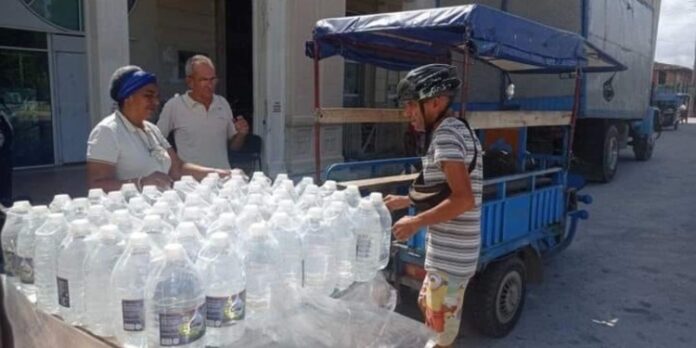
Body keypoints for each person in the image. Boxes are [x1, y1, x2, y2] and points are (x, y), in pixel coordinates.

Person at [383, 64, 482, 348]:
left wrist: (415, 222)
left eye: (412, 105)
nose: (407, 113)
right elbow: (441, 187)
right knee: (428, 306)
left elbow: (463, 198)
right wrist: (406, 200)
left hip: (451, 258)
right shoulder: (453, 129)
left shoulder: (447, 136)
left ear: (435, 102)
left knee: (439, 336)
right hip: (449, 256)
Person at [86, 65, 230, 192]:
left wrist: (219, 173)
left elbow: (178, 169)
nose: (155, 102)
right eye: (148, 96)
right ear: (127, 97)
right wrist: (140, 183)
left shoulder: (152, 130)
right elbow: (97, 185)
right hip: (130, 214)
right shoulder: (108, 131)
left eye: (156, 96)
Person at [157, 55, 249, 169]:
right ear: (190, 81)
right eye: (204, 80)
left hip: (222, 178)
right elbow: (157, 141)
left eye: (213, 79)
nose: (210, 85)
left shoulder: (222, 103)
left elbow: (234, 147)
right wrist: (174, 164)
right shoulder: (174, 106)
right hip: (191, 182)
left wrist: (241, 134)